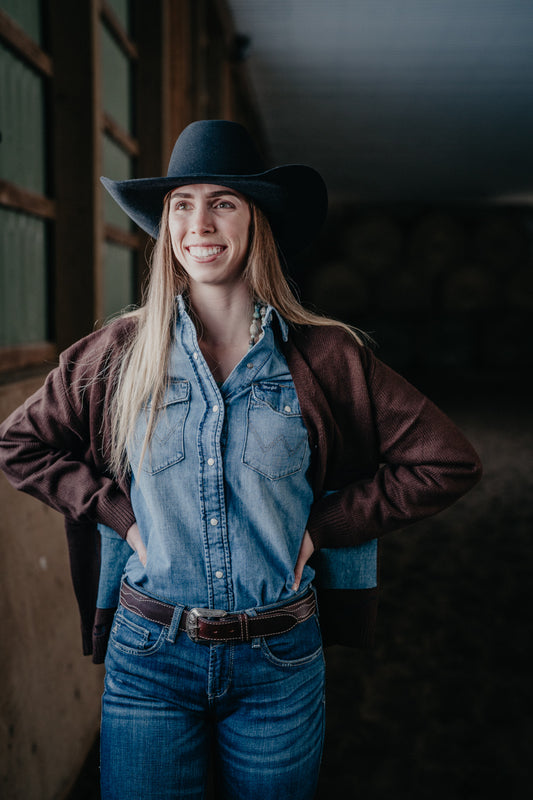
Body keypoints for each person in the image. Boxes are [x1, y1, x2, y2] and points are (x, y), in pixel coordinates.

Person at [0, 120, 482, 800]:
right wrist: (119, 514)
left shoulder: (325, 358)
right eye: (181, 204)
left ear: (255, 220)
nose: (200, 222)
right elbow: (19, 443)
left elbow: (447, 461)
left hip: (278, 661)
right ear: (166, 226)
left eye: (222, 201)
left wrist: (324, 526)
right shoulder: (117, 353)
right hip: (150, 657)